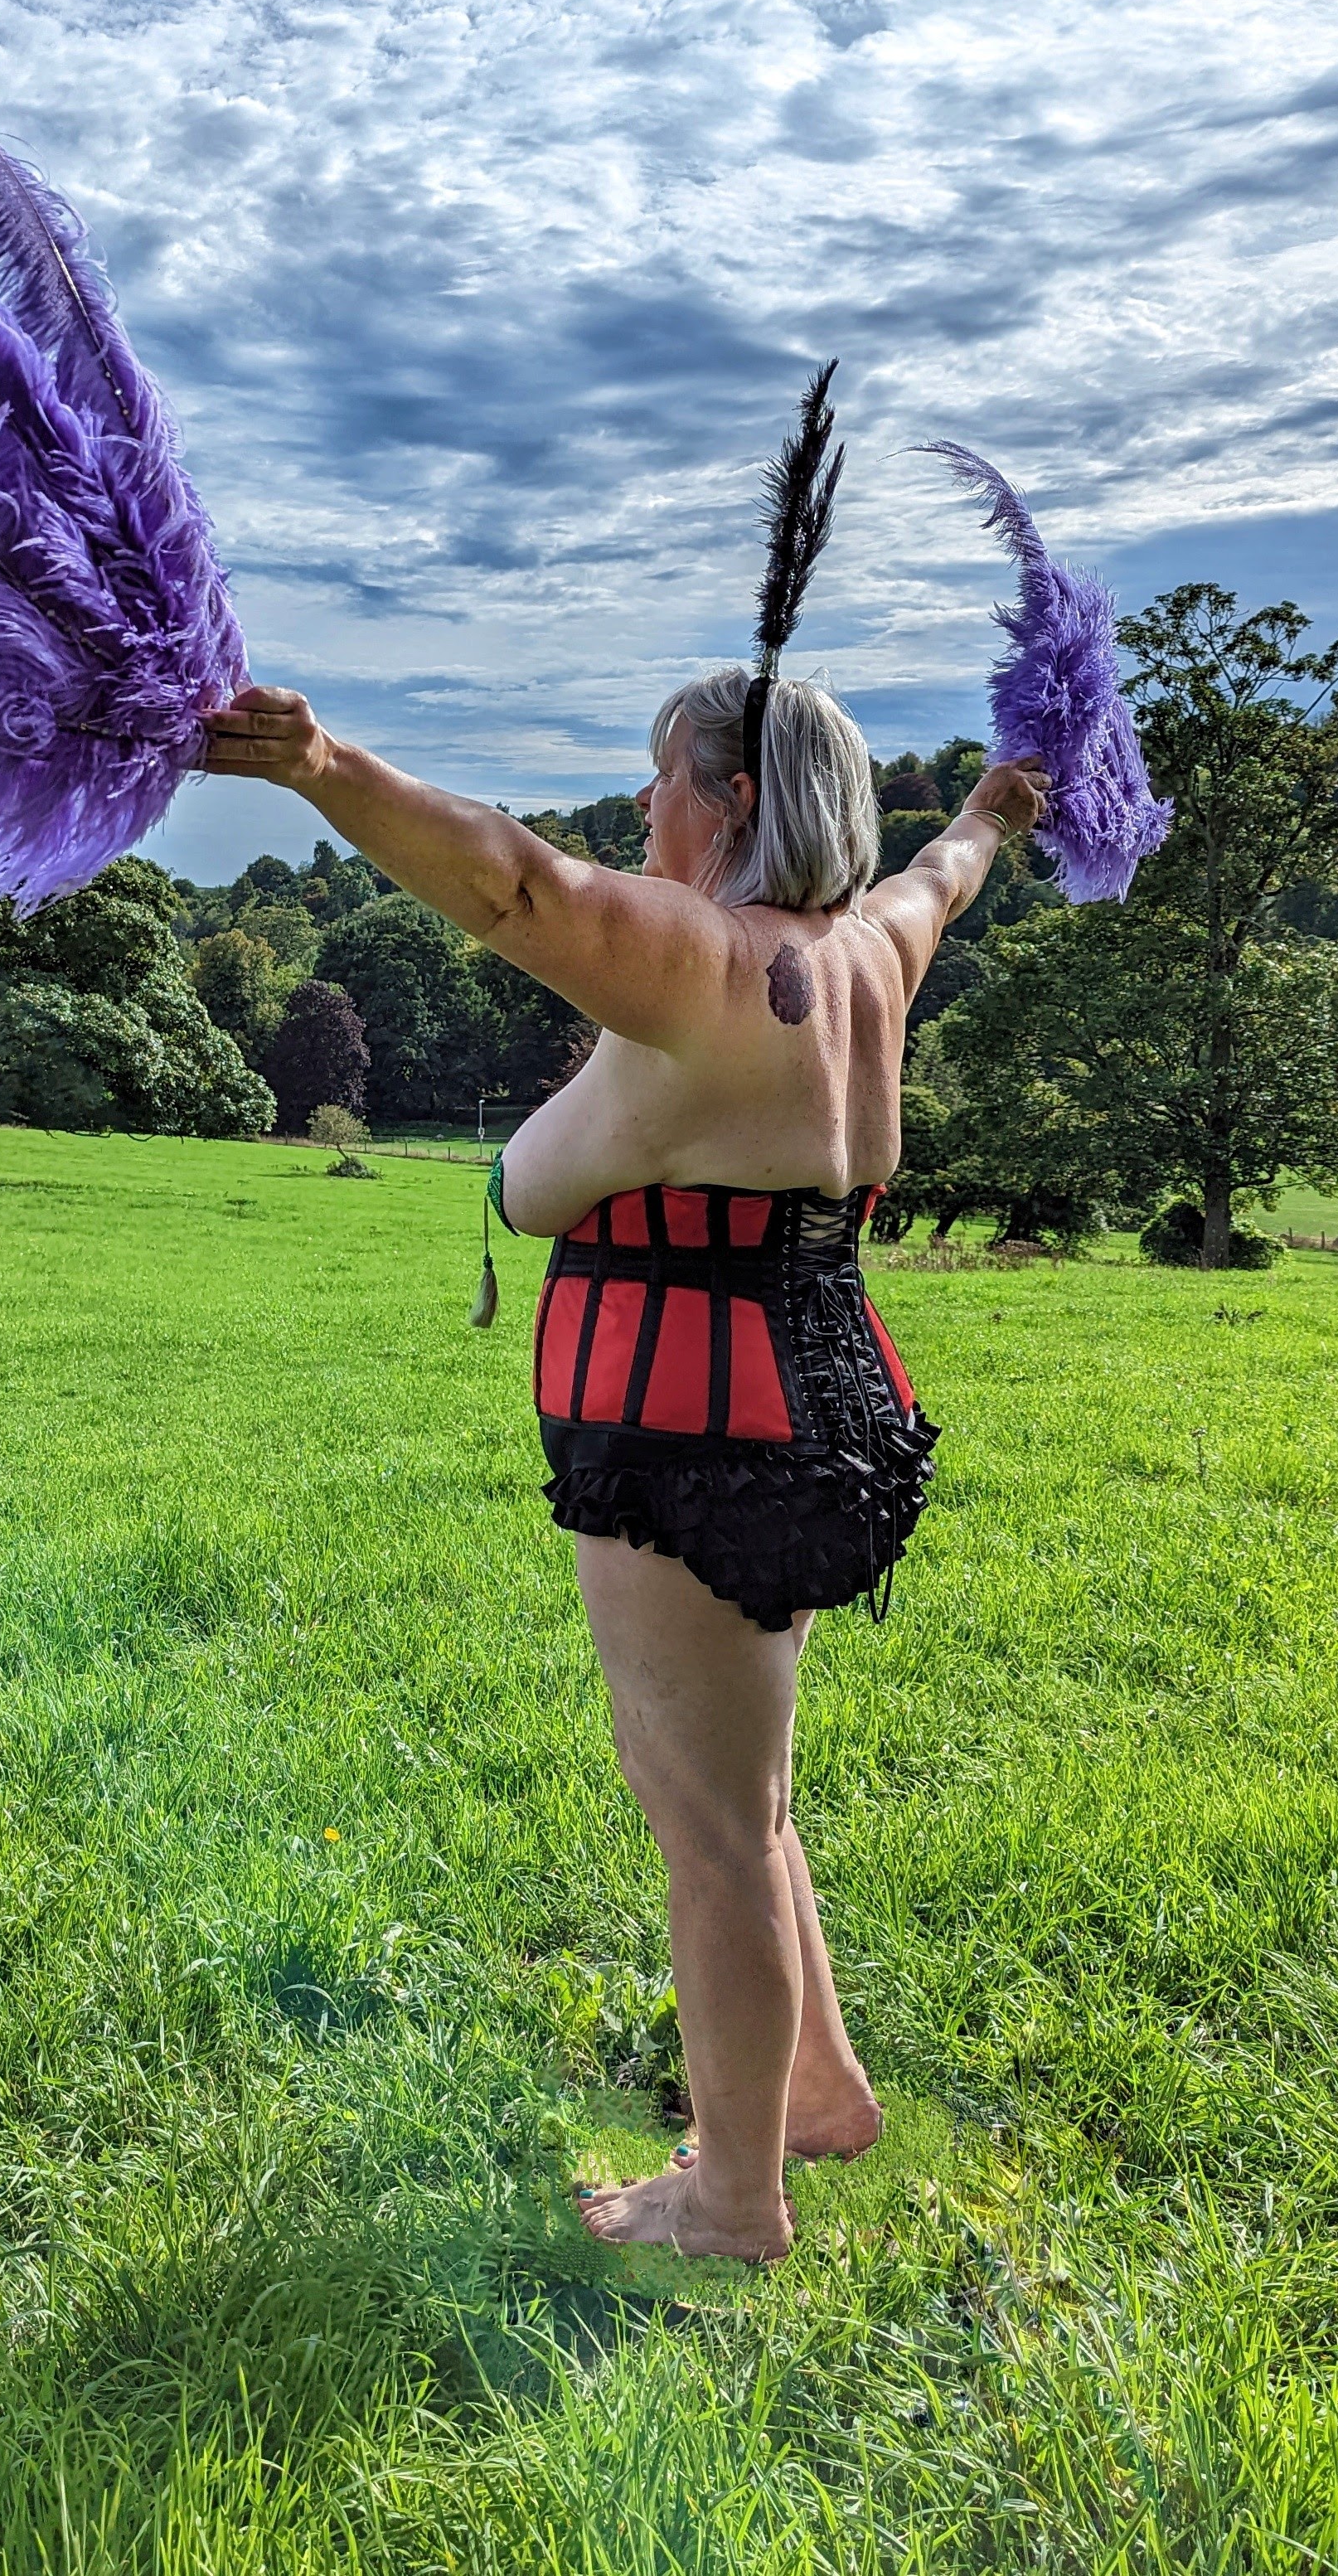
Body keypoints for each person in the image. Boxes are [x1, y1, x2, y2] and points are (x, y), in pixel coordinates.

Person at [202, 662, 1047, 2261]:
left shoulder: (709, 964)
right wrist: (994, 811)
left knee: (709, 1827)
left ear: (728, 806)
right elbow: (946, 873)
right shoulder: (870, 949)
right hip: (828, 1414)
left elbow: (518, 882)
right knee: (754, 1796)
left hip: (691, 1431)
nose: (641, 809)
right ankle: (816, 2095)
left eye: (661, 778)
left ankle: (733, 2202)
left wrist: (321, 762)